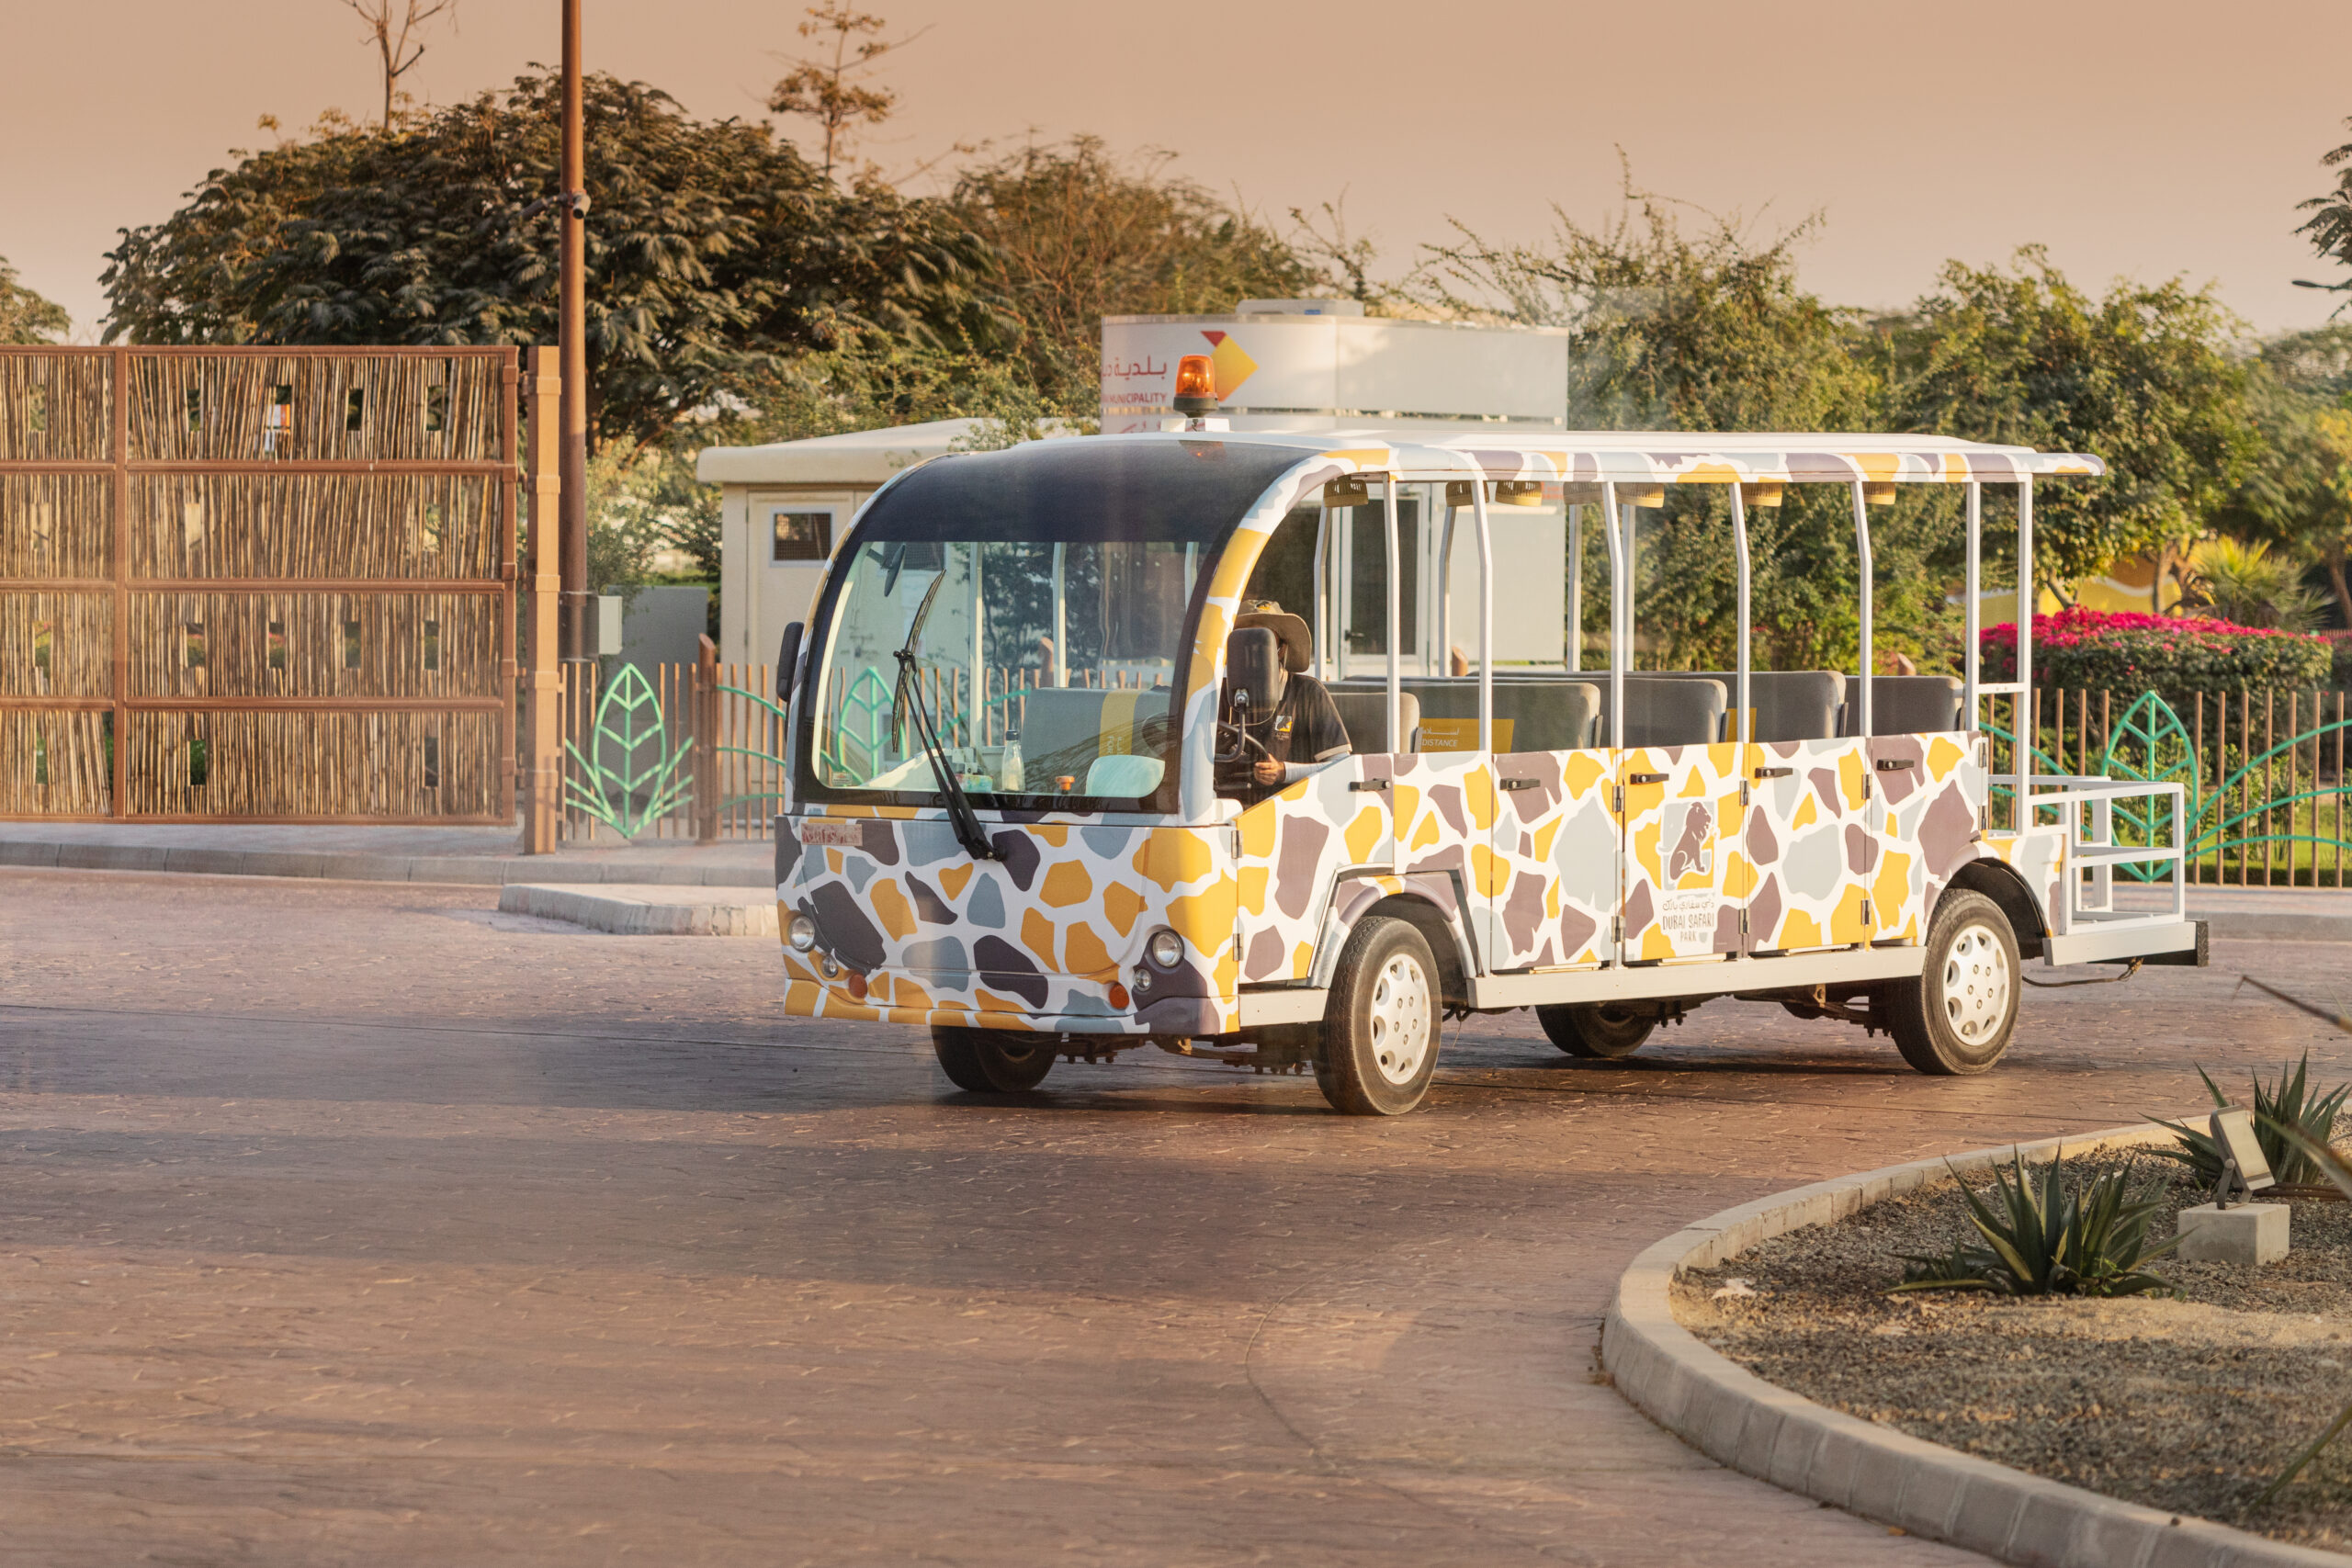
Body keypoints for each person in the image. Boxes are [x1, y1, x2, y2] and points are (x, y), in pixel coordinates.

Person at [1222, 599, 1350, 802]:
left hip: (1286, 813)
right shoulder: (1217, 694)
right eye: (1244, 641)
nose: (1252, 649)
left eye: (1261, 641)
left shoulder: (1308, 692)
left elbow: (1342, 766)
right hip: (1221, 811)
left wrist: (1283, 771)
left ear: (1281, 649)